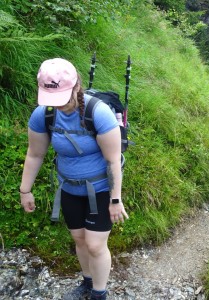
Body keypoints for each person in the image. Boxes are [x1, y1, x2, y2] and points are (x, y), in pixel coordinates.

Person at [19, 58, 128, 300]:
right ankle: (87, 283)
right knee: (79, 239)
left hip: (101, 189)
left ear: (77, 85)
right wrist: (25, 190)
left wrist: (115, 199)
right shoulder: (44, 115)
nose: (58, 105)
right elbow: (35, 154)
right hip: (69, 189)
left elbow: (113, 161)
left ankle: (99, 294)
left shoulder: (97, 112)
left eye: (63, 97)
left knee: (95, 245)